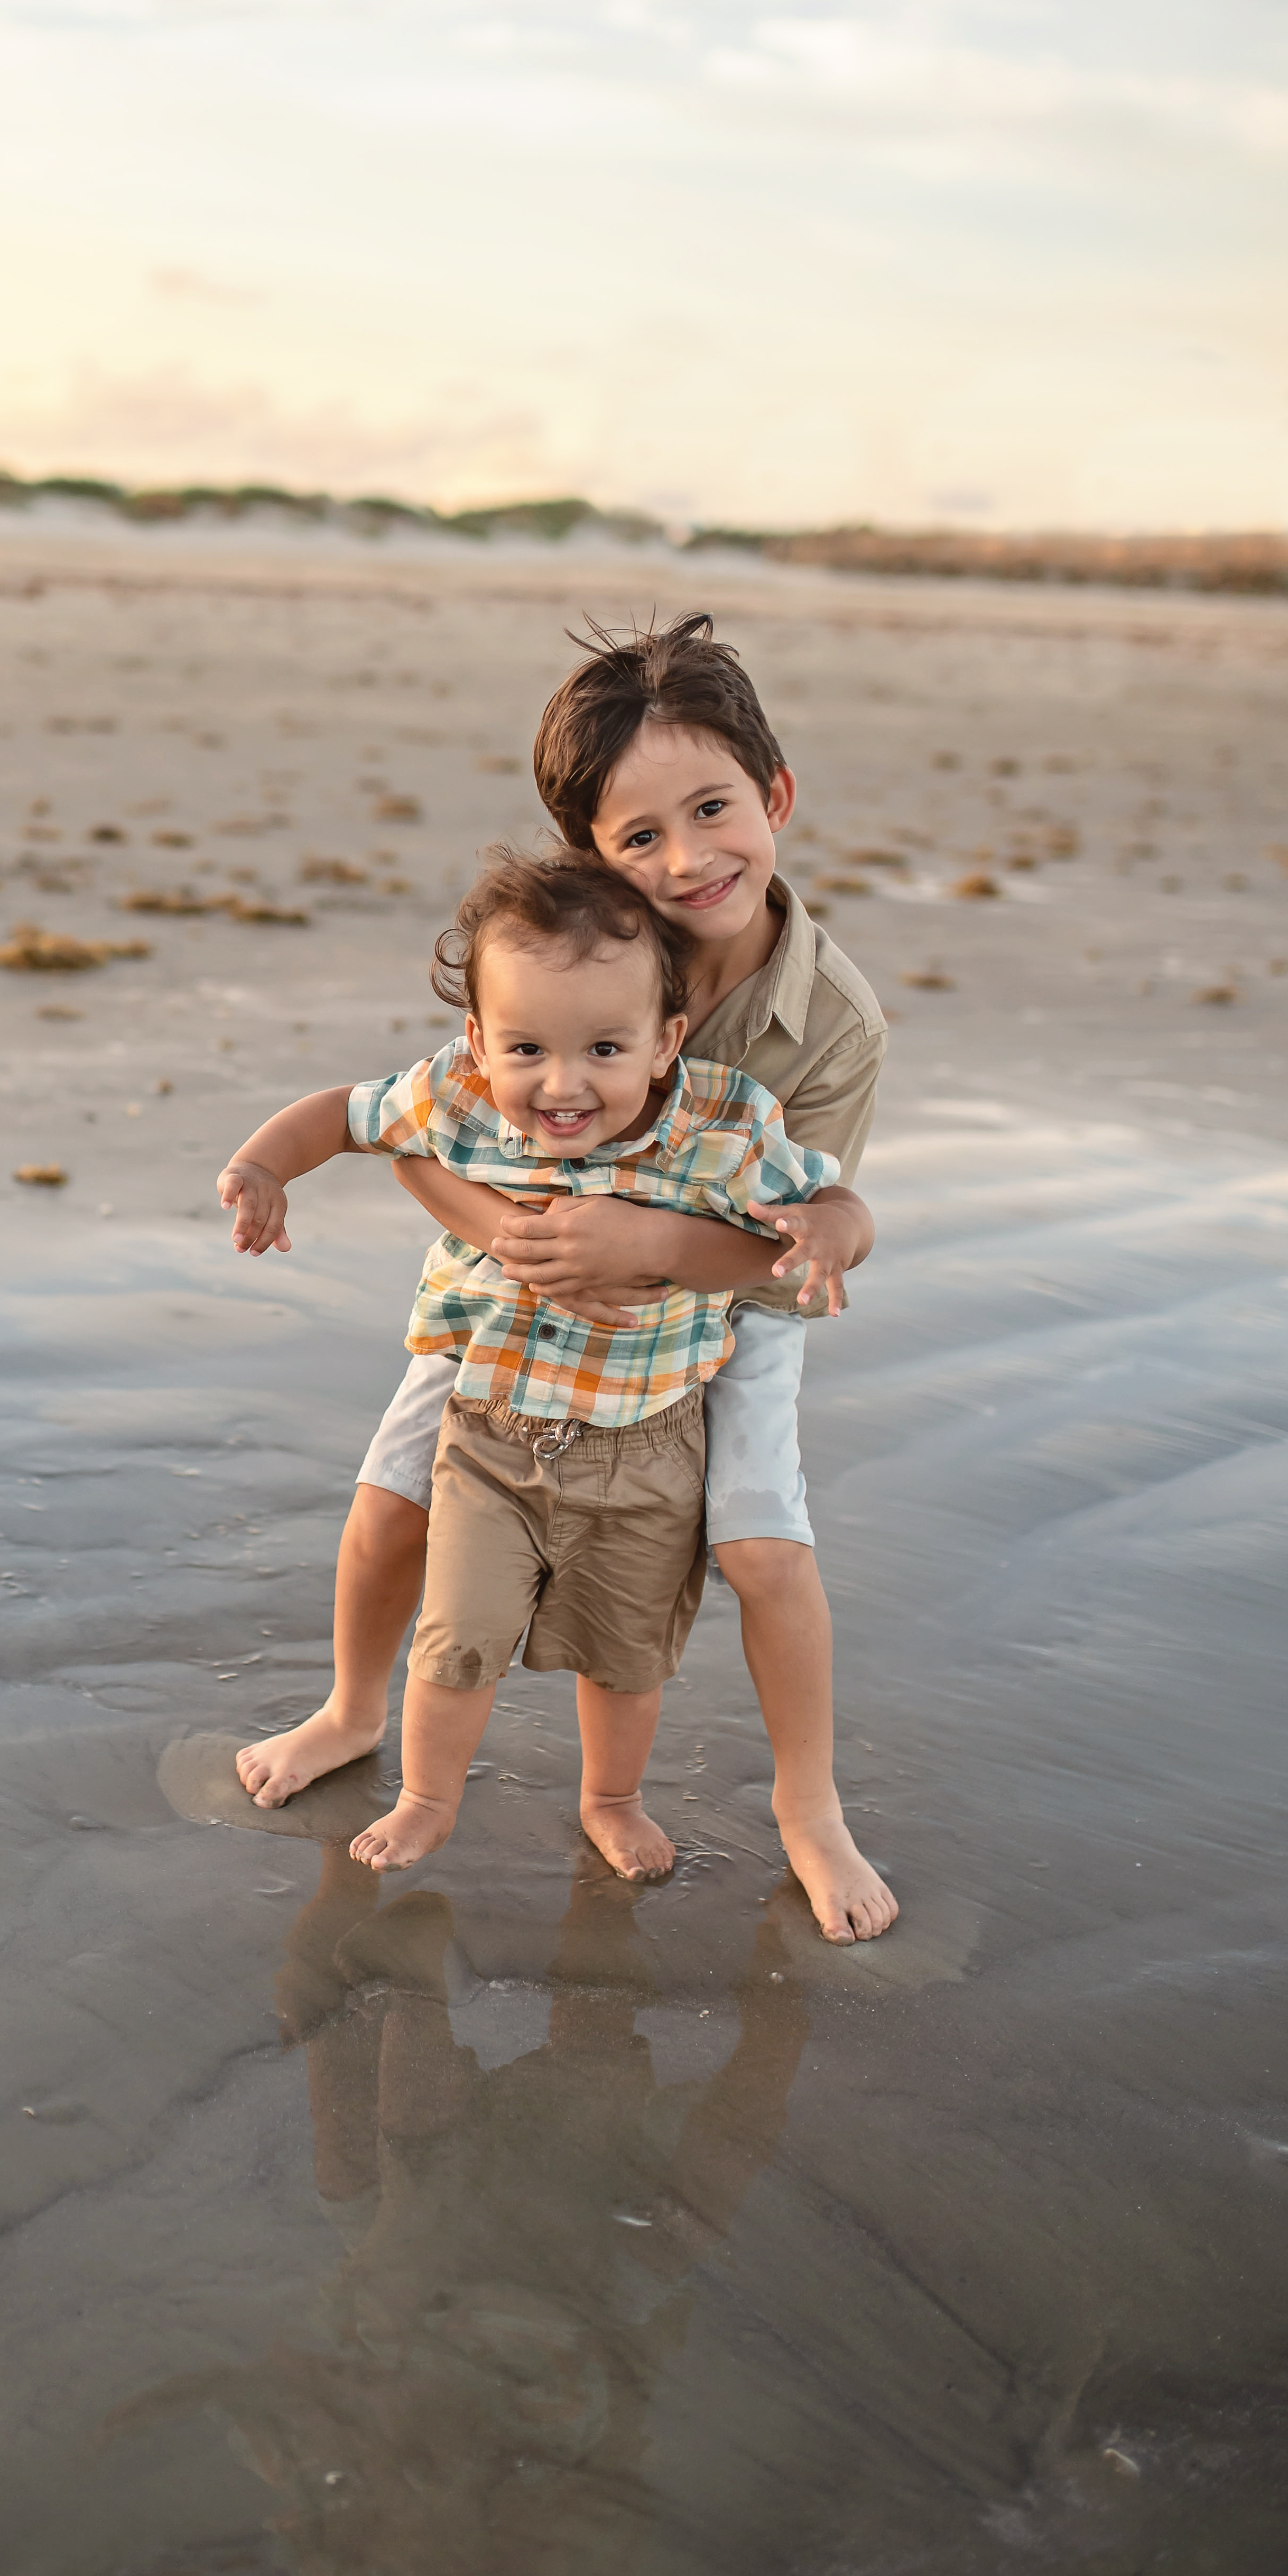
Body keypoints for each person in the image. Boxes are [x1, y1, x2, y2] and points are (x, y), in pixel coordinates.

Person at [235, 612, 898, 1943]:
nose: (683, 859)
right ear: (585, 852)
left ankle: (809, 1807)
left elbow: (794, 1242)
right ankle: (351, 1710)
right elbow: (421, 1138)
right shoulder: (554, 944)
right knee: (389, 1496)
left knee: (762, 1546)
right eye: (635, 837)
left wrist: (647, 1250)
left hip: (726, 1290)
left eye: (711, 810)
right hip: (506, 1273)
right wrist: (514, 1236)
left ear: (771, 796)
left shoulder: (832, 1025)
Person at [216, 848, 843, 1876]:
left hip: (647, 1443)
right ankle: (419, 1791)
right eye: (526, 1050)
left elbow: (828, 1202)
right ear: (476, 1041)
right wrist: (260, 1166)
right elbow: (344, 1114)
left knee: (623, 1654)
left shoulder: (717, 1127)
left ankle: (612, 1798)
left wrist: (829, 1232)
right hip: (490, 1425)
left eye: (603, 1047)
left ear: (663, 1041)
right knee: (453, 1637)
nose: (562, 1085)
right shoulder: (457, 1093)